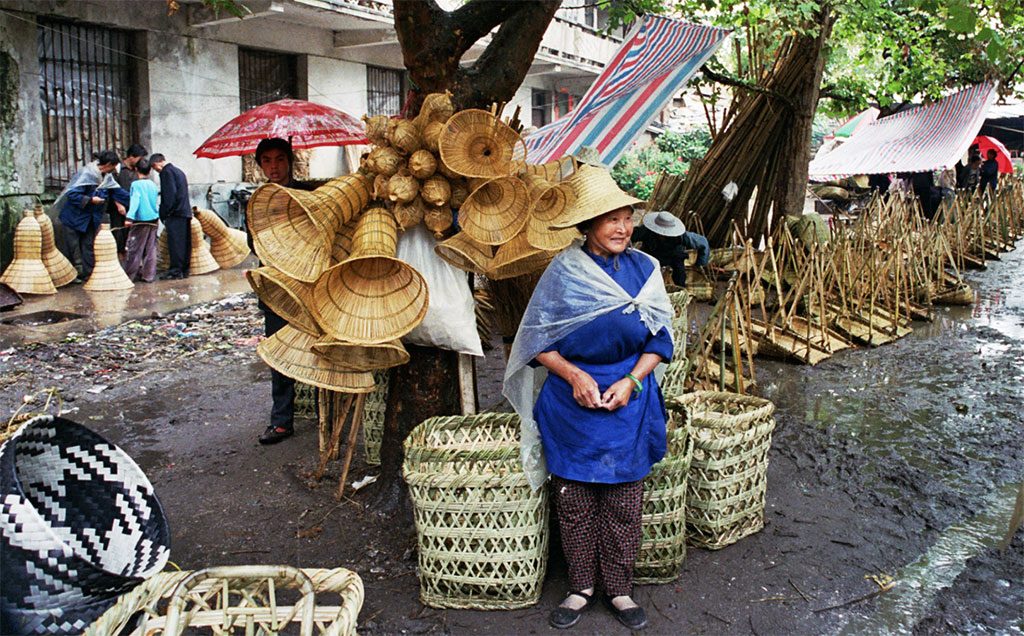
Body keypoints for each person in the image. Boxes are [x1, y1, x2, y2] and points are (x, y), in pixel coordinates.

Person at [503, 165, 674, 631]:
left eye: (627, 217)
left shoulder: (646, 269)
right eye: (610, 219)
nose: (622, 227)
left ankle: (619, 589)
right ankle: (580, 587)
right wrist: (574, 374)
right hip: (571, 402)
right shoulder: (563, 272)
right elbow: (536, 341)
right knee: (575, 498)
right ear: (588, 226)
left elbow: (660, 340)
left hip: (628, 398)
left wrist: (633, 381)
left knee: (623, 498)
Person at [250, 138, 314, 445]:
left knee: (319, 350)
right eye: (267, 161)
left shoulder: (308, 194)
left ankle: (323, 411)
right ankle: (281, 421)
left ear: (289, 161)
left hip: (309, 285)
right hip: (275, 289)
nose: (273, 167)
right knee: (279, 354)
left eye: (279, 159)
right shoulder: (257, 200)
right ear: (260, 165)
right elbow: (254, 244)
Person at [57, 150, 122, 282]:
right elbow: (72, 195)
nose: (114, 170)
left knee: (88, 246)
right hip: (74, 217)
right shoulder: (87, 173)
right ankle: (72, 275)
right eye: (113, 166)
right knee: (73, 248)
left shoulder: (105, 176)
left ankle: (89, 274)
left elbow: (116, 192)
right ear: (109, 164)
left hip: (89, 219)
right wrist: (91, 200)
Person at [631, 211, 710, 287]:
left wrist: (700, 264)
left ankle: (680, 291)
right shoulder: (646, 231)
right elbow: (629, 236)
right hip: (650, 255)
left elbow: (703, 243)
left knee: (680, 275)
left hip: (674, 257)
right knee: (641, 275)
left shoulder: (682, 236)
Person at [149, 153, 193, 279]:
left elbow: (169, 196)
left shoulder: (166, 173)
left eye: (154, 166)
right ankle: (184, 270)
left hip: (175, 213)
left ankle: (175, 271)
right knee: (184, 243)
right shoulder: (178, 171)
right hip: (184, 212)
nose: (155, 170)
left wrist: (164, 213)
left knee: (175, 244)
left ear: (160, 162)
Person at [122, 159, 160, 282]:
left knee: (134, 248)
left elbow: (135, 201)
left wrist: (129, 217)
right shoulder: (153, 185)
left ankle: (129, 276)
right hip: (153, 219)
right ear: (149, 171)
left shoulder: (136, 185)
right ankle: (149, 275)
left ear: (136, 169)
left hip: (140, 220)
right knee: (151, 248)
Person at [111, 144, 148, 256]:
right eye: (138, 158)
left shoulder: (138, 170)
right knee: (119, 236)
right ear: (131, 156)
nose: (140, 161)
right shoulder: (117, 169)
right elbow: (111, 188)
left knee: (133, 237)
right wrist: (118, 204)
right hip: (119, 209)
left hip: (133, 208)